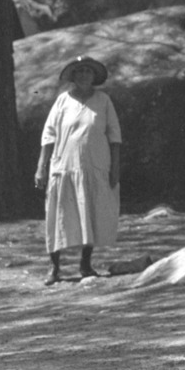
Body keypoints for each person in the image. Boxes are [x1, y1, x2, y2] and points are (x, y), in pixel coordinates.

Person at [35, 56, 122, 285]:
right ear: (73, 76)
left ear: (94, 77)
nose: (84, 75)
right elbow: (48, 135)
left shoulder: (103, 101)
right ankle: (54, 268)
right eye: (80, 71)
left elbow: (114, 137)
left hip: (95, 168)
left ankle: (85, 264)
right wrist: (40, 167)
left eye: (88, 72)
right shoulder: (63, 101)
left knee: (90, 214)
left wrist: (115, 168)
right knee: (58, 216)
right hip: (63, 167)